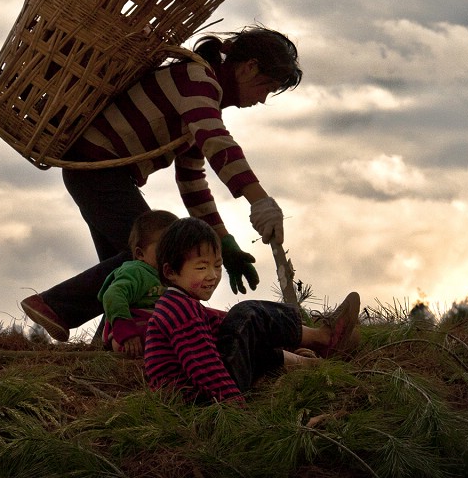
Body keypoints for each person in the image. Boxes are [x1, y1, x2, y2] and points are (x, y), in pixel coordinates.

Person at [21, 25, 303, 342]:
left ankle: (111, 341)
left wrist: (223, 241)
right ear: (249, 68)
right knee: (157, 254)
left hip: (102, 175)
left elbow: (191, 177)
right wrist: (259, 200)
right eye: (267, 86)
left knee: (127, 269)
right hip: (96, 170)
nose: (263, 99)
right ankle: (53, 306)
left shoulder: (205, 97)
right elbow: (217, 143)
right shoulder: (197, 79)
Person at [145, 217, 361, 405]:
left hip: (199, 396)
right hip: (198, 399)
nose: (212, 275)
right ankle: (323, 338)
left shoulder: (184, 304)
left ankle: (314, 364)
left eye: (218, 266)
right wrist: (234, 405)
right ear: (170, 271)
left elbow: (224, 328)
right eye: (202, 267)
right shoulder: (178, 310)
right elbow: (203, 366)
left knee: (245, 335)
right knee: (246, 313)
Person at [98, 209, 179, 357]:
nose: (172, 254)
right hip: (133, 331)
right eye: (164, 248)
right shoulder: (137, 271)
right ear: (140, 254)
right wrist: (126, 332)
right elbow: (113, 295)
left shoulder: (175, 277)